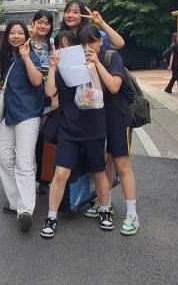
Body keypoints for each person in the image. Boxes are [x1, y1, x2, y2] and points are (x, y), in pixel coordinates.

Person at [39, 36, 114, 239]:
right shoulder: (59, 70)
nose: (64, 51)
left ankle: (104, 210)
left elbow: (102, 92)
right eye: (60, 47)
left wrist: (93, 67)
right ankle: (51, 217)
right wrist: (52, 67)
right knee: (61, 173)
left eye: (68, 46)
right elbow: (49, 92)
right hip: (68, 128)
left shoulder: (90, 64)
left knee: (98, 171)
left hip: (94, 127)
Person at [79, 26, 140, 236]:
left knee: (122, 166)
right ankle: (104, 203)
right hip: (97, 121)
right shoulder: (83, 63)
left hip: (118, 120)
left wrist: (96, 64)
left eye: (91, 42)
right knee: (104, 165)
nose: (88, 47)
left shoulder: (112, 57)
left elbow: (114, 87)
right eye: (84, 44)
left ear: (100, 41)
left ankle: (132, 214)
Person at [0, 21, 45, 232]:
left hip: (29, 115)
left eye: (20, 33)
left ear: (26, 36)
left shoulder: (30, 54)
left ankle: (25, 210)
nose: (16, 36)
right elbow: (8, 84)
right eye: (12, 32)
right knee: (3, 157)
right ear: (7, 36)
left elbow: (37, 81)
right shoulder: (6, 57)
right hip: (11, 114)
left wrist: (25, 57)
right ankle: (17, 201)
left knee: (24, 162)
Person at [30, 10, 54, 195]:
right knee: (26, 142)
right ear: (33, 23)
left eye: (46, 23)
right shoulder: (25, 44)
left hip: (47, 100)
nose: (43, 26)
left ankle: (43, 178)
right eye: (40, 22)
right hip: (28, 99)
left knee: (43, 141)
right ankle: (26, 178)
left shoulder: (53, 45)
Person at [59, 0, 125, 50]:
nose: (70, 15)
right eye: (67, 11)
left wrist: (101, 22)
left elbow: (119, 44)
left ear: (84, 14)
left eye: (75, 12)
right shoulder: (60, 37)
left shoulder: (92, 35)